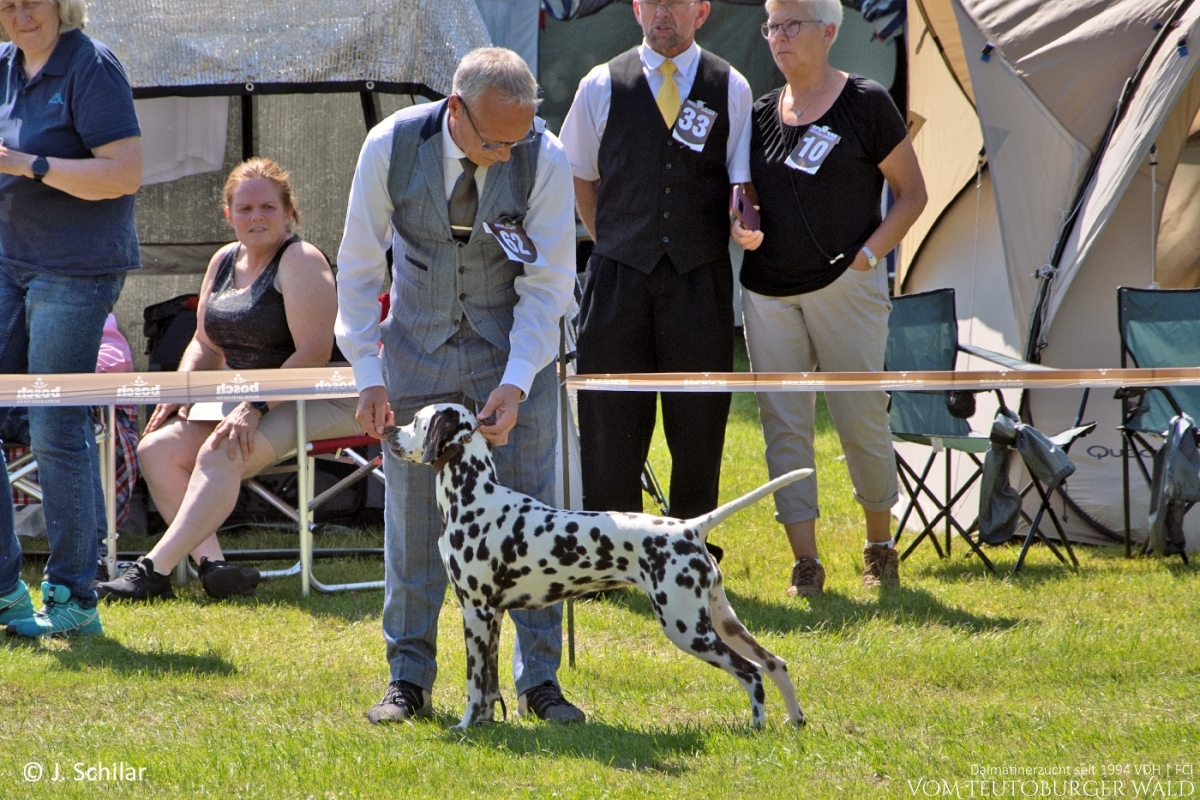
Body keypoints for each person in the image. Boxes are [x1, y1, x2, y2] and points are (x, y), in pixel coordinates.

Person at [336, 47, 584, 725]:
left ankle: (541, 684)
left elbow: (549, 285)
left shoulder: (546, 157)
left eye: (520, 137)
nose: (509, 152)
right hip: (415, 353)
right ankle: (406, 681)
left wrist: (516, 381)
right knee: (412, 520)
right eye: (496, 140)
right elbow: (358, 269)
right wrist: (367, 373)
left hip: (513, 350)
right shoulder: (389, 147)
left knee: (535, 516)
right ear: (455, 111)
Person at [729, 0, 927, 596]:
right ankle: (806, 563)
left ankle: (879, 547)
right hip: (767, 294)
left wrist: (867, 259)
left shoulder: (866, 102)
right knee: (782, 427)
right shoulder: (759, 112)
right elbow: (744, 194)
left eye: (792, 25)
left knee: (860, 417)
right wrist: (742, 223)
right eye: (772, 27)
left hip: (848, 286)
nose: (779, 37)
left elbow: (912, 194)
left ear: (830, 31)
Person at [96, 158, 360, 602]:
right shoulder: (222, 260)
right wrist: (179, 391)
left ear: (289, 211)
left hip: (324, 395)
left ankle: (151, 571)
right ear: (228, 214)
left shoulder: (301, 259)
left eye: (268, 208)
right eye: (245, 208)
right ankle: (214, 568)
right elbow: (205, 343)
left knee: (217, 454)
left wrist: (252, 407)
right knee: (155, 448)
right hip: (249, 399)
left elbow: (313, 353)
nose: (256, 217)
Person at [559, 0, 752, 531]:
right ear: (638, 10)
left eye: (676, 2)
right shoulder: (600, 83)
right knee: (609, 422)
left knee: (699, 423)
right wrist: (612, 238)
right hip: (617, 278)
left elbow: (739, 179)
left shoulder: (730, 85)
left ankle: (690, 547)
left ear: (702, 11)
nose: (663, 11)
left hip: (699, 278)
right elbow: (578, 172)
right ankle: (611, 549)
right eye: (653, 2)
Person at [0, 0, 142, 637]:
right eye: (7, 4)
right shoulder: (4, 65)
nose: (21, 13)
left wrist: (25, 164)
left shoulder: (92, 65)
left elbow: (124, 174)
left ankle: (74, 597)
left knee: (55, 427)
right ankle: (6, 594)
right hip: (8, 261)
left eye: (33, 0)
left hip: (77, 269)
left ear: (62, 6)